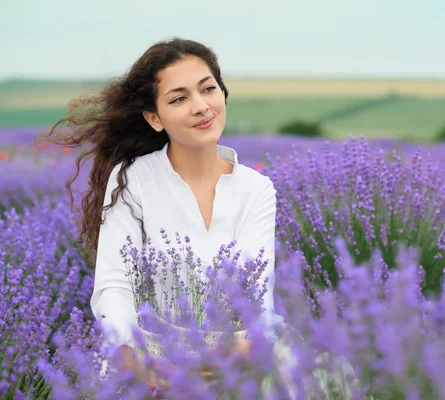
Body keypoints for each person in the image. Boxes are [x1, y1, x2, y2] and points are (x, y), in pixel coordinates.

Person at [39, 37, 285, 392]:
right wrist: (136, 362)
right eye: (179, 98)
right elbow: (114, 286)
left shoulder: (257, 189)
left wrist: (232, 356)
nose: (201, 106)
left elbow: (258, 296)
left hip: (233, 360)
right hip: (148, 356)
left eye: (208, 89)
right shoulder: (132, 180)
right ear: (155, 118)